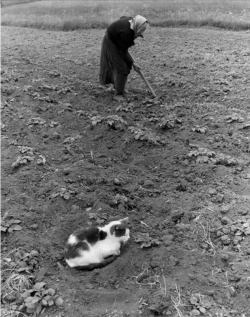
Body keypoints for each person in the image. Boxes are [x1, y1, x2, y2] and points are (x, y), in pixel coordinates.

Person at [100, 15, 148, 101]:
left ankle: (119, 88)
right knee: (122, 67)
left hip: (117, 40)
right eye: (139, 32)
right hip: (111, 42)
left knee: (126, 65)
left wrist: (132, 63)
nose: (138, 35)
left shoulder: (132, 21)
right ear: (137, 26)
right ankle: (118, 94)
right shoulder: (126, 33)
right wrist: (133, 63)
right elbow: (123, 52)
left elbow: (122, 17)